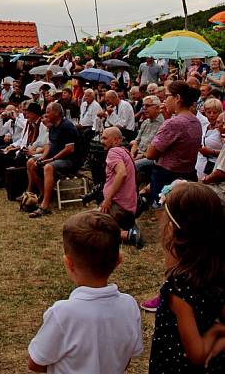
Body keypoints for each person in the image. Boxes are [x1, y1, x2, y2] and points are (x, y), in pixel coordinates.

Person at [27, 211, 142, 373]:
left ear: (69, 263)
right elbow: (128, 357)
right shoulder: (129, 305)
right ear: (118, 261)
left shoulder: (62, 313)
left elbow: (35, 362)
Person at [148, 182, 225, 372]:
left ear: (173, 230)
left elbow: (197, 354)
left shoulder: (179, 287)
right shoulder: (217, 270)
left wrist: (216, 331)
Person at [146, 81, 202, 205]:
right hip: (188, 174)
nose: (165, 100)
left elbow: (150, 154)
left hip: (167, 177)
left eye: (167, 96)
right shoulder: (195, 121)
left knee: (165, 214)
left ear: (177, 98)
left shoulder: (174, 123)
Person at [28, 103, 82, 218]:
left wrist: (51, 159)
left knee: (48, 167)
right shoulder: (53, 126)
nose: (46, 114)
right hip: (55, 157)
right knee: (31, 163)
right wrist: (43, 157)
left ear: (56, 113)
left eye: (48, 111)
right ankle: (44, 193)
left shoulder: (67, 126)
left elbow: (69, 149)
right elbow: (49, 144)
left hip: (70, 161)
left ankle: (45, 206)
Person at [98, 127, 141, 247]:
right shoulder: (124, 151)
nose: (102, 141)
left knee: (88, 228)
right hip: (127, 207)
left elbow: (122, 173)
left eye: (105, 138)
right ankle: (129, 228)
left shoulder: (114, 152)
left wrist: (108, 199)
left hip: (118, 207)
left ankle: (128, 235)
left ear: (116, 140)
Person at [130, 95, 164, 183]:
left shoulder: (163, 124)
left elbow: (157, 150)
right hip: (139, 154)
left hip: (152, 157)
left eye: (147, 106)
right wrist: (132, 154)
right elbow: (136, 141)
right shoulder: (145, 122)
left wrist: (138, 157)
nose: (144, 108)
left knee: (133, 166)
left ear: (157, 108)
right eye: (143, 106)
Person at [195, 97, 223, 179]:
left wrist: (212, 152)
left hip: (215, 169)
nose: (211, 115)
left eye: (215, 112)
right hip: (200, 166)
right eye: (209, 112)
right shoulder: (204, 126)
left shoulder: (222, 129)